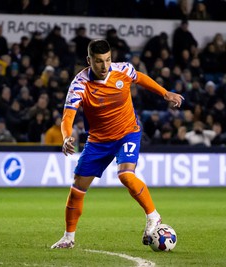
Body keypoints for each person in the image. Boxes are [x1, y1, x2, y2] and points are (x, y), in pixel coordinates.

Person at [51, 39, 184, 249]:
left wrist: (165, 93)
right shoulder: (79, 84)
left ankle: (153, 216)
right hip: (98, 141)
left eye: (107, 60)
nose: (104, 66)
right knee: (77, 188)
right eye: (98, 62)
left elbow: (140, 77)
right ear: (89, 61)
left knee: (125, 175)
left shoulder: (122, 70)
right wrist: (67, 136)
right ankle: (68, 238)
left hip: (127, 133)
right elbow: (67, 117)